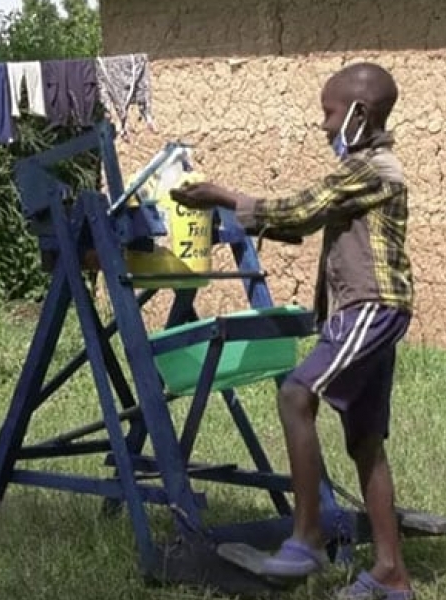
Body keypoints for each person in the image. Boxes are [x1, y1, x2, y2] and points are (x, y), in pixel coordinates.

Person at [170, 62, 417, 600]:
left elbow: (302, 209)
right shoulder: (366, 169)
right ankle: (391, 575)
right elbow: (307, 223)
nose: (324, 126)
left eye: (329, 113)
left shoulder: (370, 169)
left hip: (369, 310)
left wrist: (220, 196)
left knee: (295, 393)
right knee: (365, 441)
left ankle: (304, 539)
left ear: (358, 113)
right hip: (370, 311)